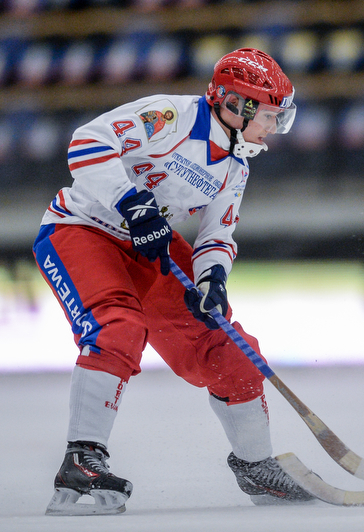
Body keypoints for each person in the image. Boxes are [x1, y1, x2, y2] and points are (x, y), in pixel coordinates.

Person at [33, 48, 315, 515]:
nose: (273, 128)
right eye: (268, 115)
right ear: (235, 104)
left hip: (151, 249)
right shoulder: (171, 116)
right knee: (118, 327)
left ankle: (257, 467)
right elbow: (87, 143)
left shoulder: (236, 164)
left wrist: (213, 279)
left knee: (232, 349)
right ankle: (80, 462)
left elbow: (217, 233)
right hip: (81, 230)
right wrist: (133, 203)